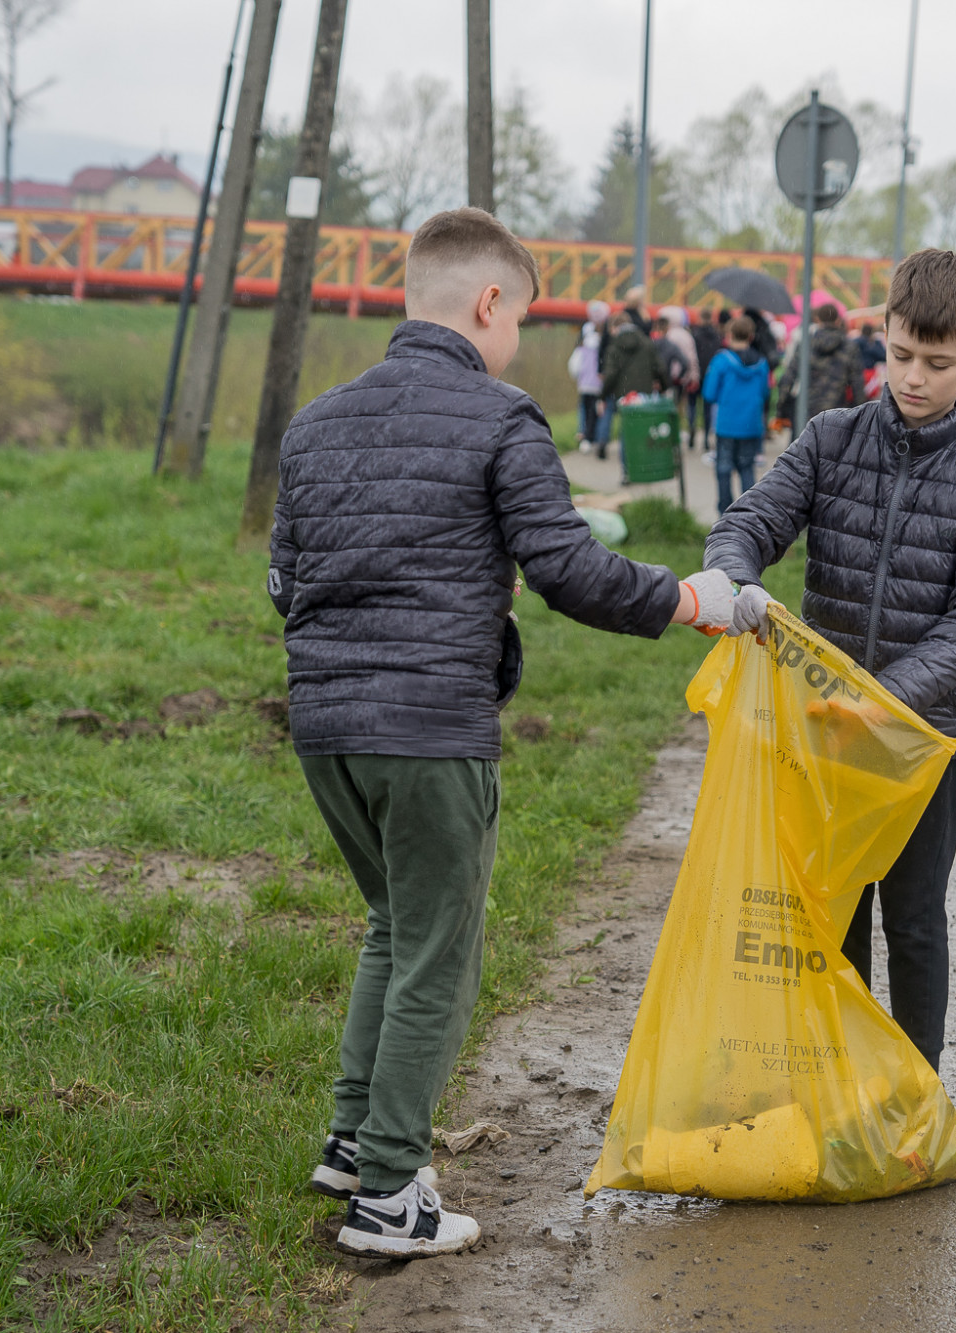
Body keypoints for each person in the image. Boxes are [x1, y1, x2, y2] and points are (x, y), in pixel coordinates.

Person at [270, 207, 736, 1260]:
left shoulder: (315, 422)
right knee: (440, 949)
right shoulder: (500, 415)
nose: (517, 338)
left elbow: (284, 583)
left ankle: (351, 1141)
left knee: (394, 927)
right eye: (518, 315)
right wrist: (692, 601)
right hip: (431, 730)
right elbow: (569, 567)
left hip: (324, 726)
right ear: (487, 304)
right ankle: (390, 1194)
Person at [702, 248, 956, 1076]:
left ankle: (915, 1089)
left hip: (919, 744)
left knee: (914, 920)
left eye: (939, 364)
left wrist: (880, 697)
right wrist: (738, 584)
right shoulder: (829, 440)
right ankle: (829, 1080)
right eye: (903, 354)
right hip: (820, 733)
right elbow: (747, 523)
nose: (915, 377)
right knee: (830, 914)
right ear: (883, 334)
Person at [700, 315, 771, 514]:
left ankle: (725, 512)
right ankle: (747, 513)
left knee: (723, 469)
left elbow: (709, 393)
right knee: (746, 468)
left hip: (727, 424)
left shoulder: (721, 361)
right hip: (751, 424)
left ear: (729, 335)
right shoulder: (762, 362)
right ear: (751, 336)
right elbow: (765, 393)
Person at [778, 302, 868, 428]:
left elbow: (788, 377)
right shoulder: (850, 347)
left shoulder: (806, 344)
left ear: (817, 319)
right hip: (837, 412)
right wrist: (861, 416)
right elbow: (857, 383)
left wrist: (781, 409)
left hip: (806, 409)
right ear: (837, 320)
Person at [595, 309, 662, 459]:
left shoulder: (614, 347)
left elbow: (611, 374)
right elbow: (659, 367)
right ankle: (642, 462)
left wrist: (602, 395)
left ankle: (622, 464)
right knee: (640, 428)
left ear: (614, 327)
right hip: (643, 392)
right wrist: (664, 386)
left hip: (620, 391)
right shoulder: (646, 342)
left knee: (623, 428)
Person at [569, 299, 610, 445]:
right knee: (600, 409)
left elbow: (577, 356)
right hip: (600, 380)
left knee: (584, 408)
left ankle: (584, 434)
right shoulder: (606, 336)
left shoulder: (585, 334)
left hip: (585, 380)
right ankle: (599, 437)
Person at [689, 306, 727, 449]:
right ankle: (705, 437)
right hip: (711, 374)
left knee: (692, 405)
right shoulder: (717, 336)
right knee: (707, 408)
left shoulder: (694, 334)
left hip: (696, 374)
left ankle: (691, 430)